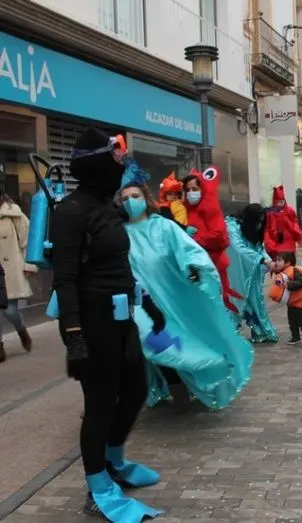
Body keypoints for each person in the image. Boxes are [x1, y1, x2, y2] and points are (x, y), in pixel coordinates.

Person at [50, 128, 162, 521]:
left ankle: (113, 463)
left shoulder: (107, 207)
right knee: (99, 405)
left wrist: (148, 305)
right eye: (114, 157)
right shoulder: (71, 211)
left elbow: (120, 265)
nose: (120, 165)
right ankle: (97, 488)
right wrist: (74, 337)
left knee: (135, 390)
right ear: (98, 163)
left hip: (121, 317)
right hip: (91, 322)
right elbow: (64, 279)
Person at [117, 168, 254, 412]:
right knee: (152, 341)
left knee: (180, 342)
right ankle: (164, 387)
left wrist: (193, 268)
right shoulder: (119, 233)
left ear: (146, 199)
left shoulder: (163, 227)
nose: (130, 202)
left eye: (135, 196)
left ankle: (196, 378)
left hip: (173, 299)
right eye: (125, 199)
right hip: (140, 303)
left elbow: (188, 251)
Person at [181, 167, 242, 313]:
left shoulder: (209, 207)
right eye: (188, 190)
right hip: (198, 265)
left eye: (194, 189)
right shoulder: (187, 209)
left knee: (218, 303)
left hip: (213, 264)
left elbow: (219, 236)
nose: (191, 193)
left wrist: (195, 239)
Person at [225, 204, 278, 344]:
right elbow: (238, 249)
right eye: (257, 221)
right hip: (236, 272)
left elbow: (259, 248)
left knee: (256, 300)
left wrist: (270, 262)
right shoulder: (232, 227)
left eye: (261, 222)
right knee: (235, 300)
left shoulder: (251, 230)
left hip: (252, 272)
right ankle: (228, 333)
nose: (259, 225)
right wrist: (263, 260)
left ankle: (260, 331)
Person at [0, 188, 35, 360]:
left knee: (9, 310)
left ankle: (21, 329)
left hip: (10, 269)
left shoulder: (14, 214)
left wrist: (29, 265)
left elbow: (29, 240)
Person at [269, 252, 302, 346]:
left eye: (279, 260)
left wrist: (289, 285)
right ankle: (295, 337)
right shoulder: (282, 272)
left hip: (300, 302)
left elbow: (301, 282)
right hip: (291, 303)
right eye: (276, 260)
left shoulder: (294, 270)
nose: (277, 262)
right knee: (292, 322)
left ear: (288, 263)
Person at [264, 185, 302, 259]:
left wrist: (299, 238)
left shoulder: (290, 211)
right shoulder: (270, 213)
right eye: (278, 201)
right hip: (275, 245)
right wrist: (269, 244)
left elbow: (295, 225)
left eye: (282, 201)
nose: (281, 203)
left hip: (289, 245)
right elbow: (267, 229)